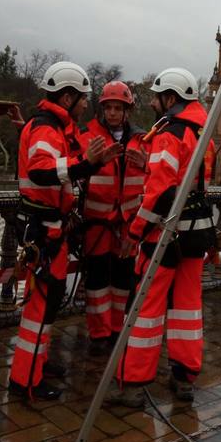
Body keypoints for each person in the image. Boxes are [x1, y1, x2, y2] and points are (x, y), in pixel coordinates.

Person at [9, 61, 116, 401]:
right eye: (83, 97)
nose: (86, 104)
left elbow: (49, 161)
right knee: (41, 306)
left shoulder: (50, 127)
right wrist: (87, 165)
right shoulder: (46, 129)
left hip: (50, 228)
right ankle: (26, 380)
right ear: (68, 96)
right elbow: (42, 171)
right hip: (44, 231)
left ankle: (37, 364)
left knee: (48, 302)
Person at [115, 67, 216, 407]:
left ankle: (133, 384)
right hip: (197, 232)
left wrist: (134, 232)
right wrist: (150, 164)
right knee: (187, 307)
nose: (155, 105)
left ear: (170, 98)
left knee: (146, 309)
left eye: (159, 98)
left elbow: (159, 193)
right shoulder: (203, 132)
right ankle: (184, 378)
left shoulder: (169, 134)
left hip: (165, 235)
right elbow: (190, 180)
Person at [80, 81, 147, 355]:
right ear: (102, 109)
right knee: (96, 282)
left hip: (127, 224)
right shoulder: (88, 135)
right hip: (97, 223)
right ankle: (99, 334)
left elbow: (158, 174)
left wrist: (145, 164)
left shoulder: (142, 140)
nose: (113, 113)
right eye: (108, 108)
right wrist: (91, 160)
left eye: (118, 108)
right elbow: (75, 169)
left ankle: (118, 330)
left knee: (123, 282)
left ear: (127, 110)